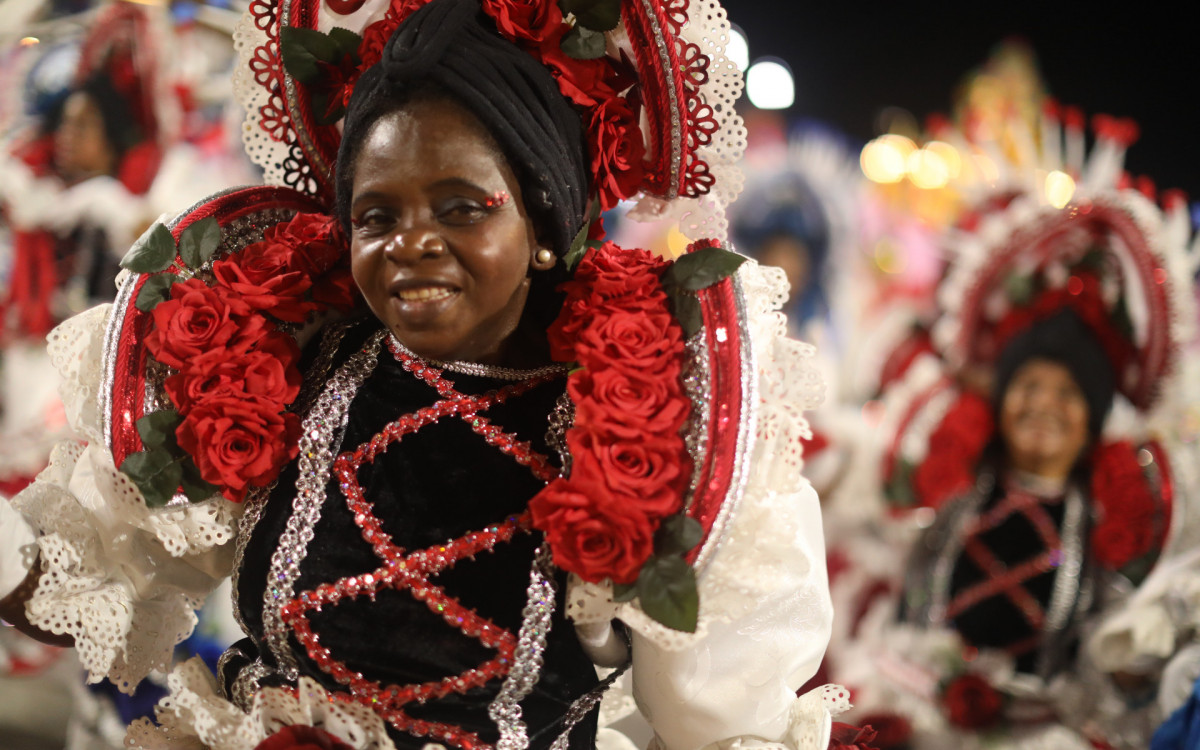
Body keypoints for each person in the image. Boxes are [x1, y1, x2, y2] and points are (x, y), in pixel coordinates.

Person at [0, 1, 840, 748]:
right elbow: (90, 582)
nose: (411, 242)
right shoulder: (293, 369)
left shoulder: (640, 429)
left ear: (544, 218)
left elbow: (724, 729)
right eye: (376, 215)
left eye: (462, 208)